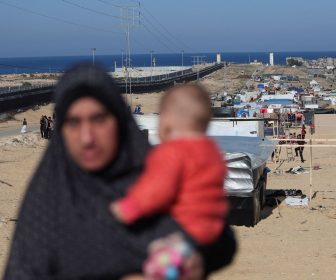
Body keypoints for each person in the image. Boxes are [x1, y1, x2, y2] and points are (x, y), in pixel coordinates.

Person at [4, 63, 236, 279]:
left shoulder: (155, 171)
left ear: (119, 120)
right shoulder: (48, 197)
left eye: (98, 119)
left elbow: (220, 237)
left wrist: (201, 258)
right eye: (74, 122)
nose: (87, 138)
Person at [111, 84, 228, 275]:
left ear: (167, 122)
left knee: (156, 268)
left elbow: (156, 191)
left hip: (182, 231)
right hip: (212, 229)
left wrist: (127, 209)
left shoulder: (171, 152)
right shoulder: (212, 151)